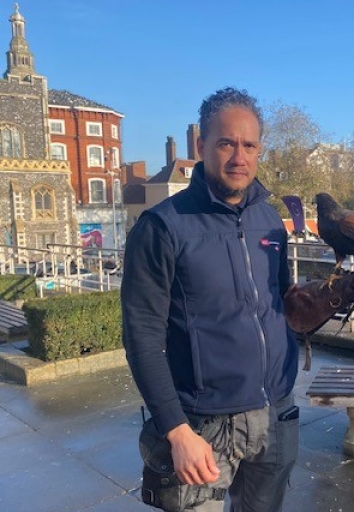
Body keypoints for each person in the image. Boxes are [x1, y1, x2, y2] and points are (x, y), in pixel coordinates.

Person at [122, 87, 299, 512]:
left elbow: (280, 302)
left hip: (275, 414)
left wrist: (310, 307)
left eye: (250, 145)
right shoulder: (162, 227)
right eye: (226, 143)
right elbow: (142, 336)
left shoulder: (269, 219)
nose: (240, 157)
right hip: (204, 428)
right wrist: (176, 430)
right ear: (202, 146)